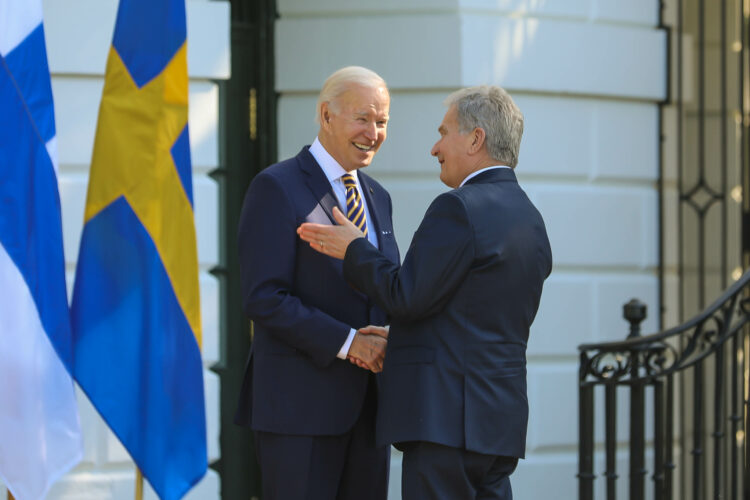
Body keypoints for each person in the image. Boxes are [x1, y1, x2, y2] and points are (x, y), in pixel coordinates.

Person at [298, 85, 552, 499]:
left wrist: (354, 248)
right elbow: (474, 316)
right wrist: (399, 343)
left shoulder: (458, 208)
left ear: (476, 139)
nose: (435, 148)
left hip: (446, 426)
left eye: (444, 132)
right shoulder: (531, 217)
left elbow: (405, 295)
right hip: (497, 426)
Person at [234, 66, 400, 500]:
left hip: (369, 414)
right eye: (363, 118)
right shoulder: (275, 187)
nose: (374, 132)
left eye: (382, 121)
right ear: (326, 116)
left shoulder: (379, 196)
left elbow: (382, 287)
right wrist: (349, 342)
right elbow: (264, 297)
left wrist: (387, 335)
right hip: (298, 416)